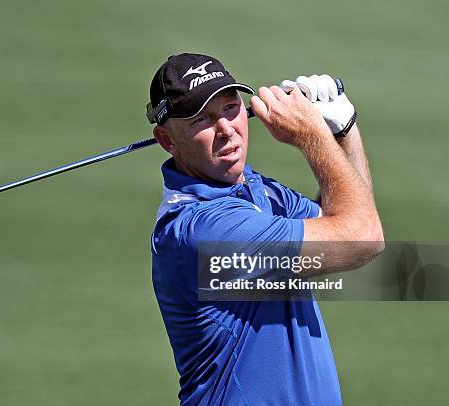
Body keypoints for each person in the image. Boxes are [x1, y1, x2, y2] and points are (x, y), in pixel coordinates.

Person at [147, 53, 384, 405]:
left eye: (231, 108)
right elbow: (362, 238)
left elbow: (342, 218)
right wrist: (312, 136)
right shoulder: (205, 230)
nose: (226, 129)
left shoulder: (257, 192)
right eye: (203, 119)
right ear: (167, 140)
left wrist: (343, 131)